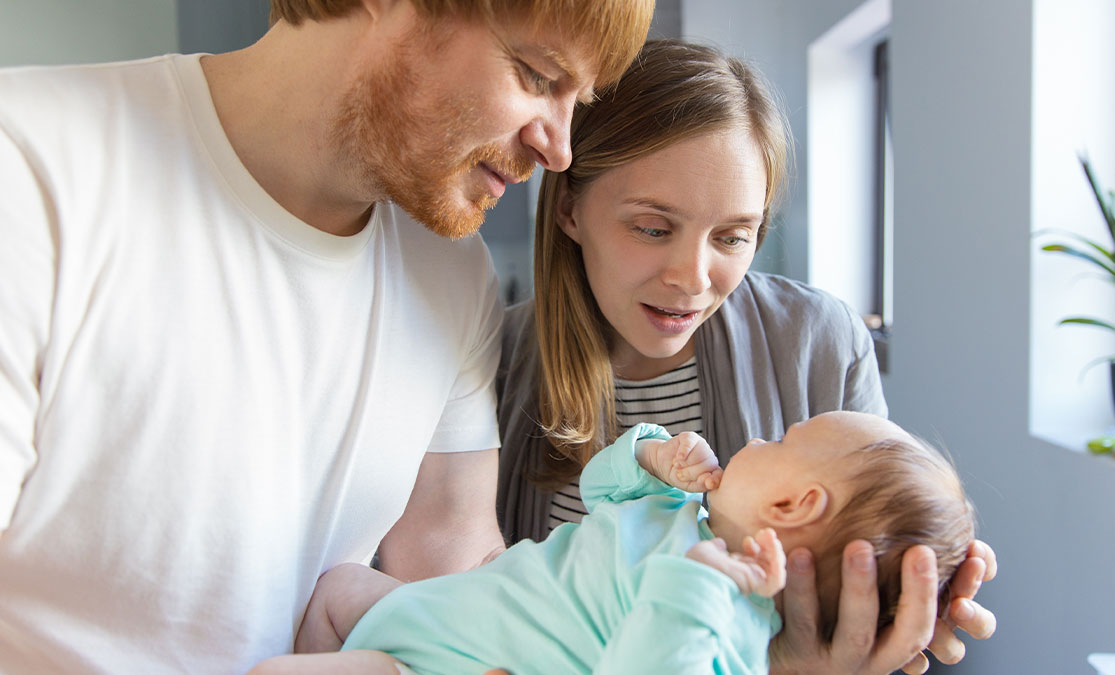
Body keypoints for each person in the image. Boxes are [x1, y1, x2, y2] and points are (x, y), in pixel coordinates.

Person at [0, 0, 653, 672]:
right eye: (538, 76)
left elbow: (454, 575)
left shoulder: (449, 274)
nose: (560, 147)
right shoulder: (28, 171)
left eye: (582, 98)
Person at [494, 39, 998, 674]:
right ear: (568, 208)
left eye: (733, 237)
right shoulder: (491, 361)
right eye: (652, 228)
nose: (693, 277)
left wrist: (907, 599)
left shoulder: (821, 343)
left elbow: (870, 537)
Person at [250, 411, 975, 674]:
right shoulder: (685, 513)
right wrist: (648, 457)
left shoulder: (727, 627)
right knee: (337, 586)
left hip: (445, 664)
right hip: (433, 611)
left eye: (782, 439)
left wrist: (698, 582)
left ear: (792, 503)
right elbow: (599, 496)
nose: (757, 438)